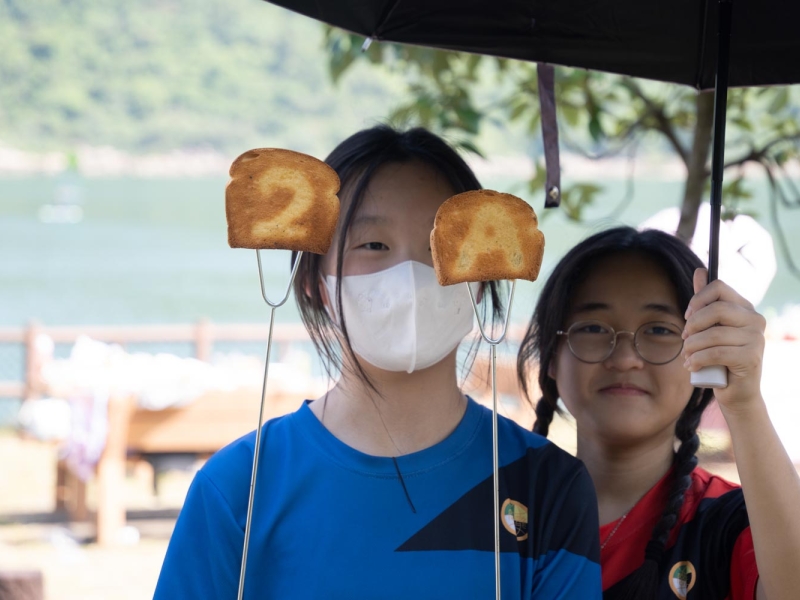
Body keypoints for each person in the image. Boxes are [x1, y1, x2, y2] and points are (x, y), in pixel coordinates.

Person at [153, 126, 601, 599]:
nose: (410, 274)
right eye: (373, 245)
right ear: (313, 281)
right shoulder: (237, 487)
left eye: (439, 248)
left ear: (482, 273)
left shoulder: (548, 487)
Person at [516, 226, 800, 600]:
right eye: (594, 327)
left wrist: (744, 404)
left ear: (701, 355)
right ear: (551, 356)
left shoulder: (731, 523)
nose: (625, 358)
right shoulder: (499, 513)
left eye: (659, 330)